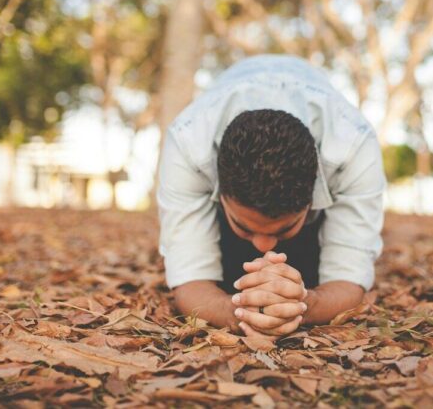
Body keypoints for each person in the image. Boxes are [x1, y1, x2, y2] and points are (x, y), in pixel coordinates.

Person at [157, 54, 385, 339]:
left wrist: (304, 304)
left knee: (307, 269)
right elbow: (189, 279)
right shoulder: (188, 142)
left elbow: (349, 277)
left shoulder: (353, 144)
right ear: (221, 191)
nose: (264, 245)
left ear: (312, 197)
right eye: (245, 226)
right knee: (232, 272)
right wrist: (237, 311)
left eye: (285, 227)